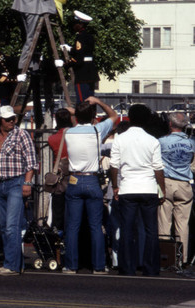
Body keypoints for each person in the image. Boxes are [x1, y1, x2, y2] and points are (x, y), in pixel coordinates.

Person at [62, 97, 117, 274]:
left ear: (76, 117)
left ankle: (71, 265)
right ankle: (99, 266)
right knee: (95, 226)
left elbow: (69, 112)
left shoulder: (68, 132)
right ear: (93, 116)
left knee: (72, 226)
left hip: (74, 179)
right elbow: (114, 116)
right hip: (93, 180)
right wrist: (99, 101)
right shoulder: (97, 130)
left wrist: (77, 110)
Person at [110, 104, 166, 277]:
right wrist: (161, 190)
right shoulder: (152, 140)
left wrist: (115, 186)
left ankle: (127, 267)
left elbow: (113, 166)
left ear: (130, 118)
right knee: (150, 230)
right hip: (148, 188)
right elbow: (158, 169)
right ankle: (150, 267)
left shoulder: (120, 138)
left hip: (128, 188)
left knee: (127, 229)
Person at [0, 105, 38, 275]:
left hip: (17, 183)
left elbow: (32, 161)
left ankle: (12, 265)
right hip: (2, 184)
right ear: (0, 120)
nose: (11, 121)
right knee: (3, 226)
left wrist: (27, 183)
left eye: (13, 118)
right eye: (7, 119)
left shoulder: (21, 135)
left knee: (12, 225)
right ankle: (13, 262)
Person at [158, 112, 195, 265]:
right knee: (182, 224)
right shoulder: (192, 142)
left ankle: (165, 257)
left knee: (164, 222)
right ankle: (183, 258)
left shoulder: (161, 141)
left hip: (166, 182)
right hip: (184, 184)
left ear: (170, 124)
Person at [62, 11, 99, 104]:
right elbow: (83, 52)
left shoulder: (80, 37)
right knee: (90, 101)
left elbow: (79, 59)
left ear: (81, 24)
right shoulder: (89, 36)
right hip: (90, 71)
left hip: (82, 73)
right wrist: (70, 49)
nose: (74, 26)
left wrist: (65, 64)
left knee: (82, 102)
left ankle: (84, 118)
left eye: (75, 24)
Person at [47, 108, 73, 234]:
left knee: (58, 213)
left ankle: (59, 244)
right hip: (75, 177)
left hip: (60, 180)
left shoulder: (52, 139)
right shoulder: (76, 135)